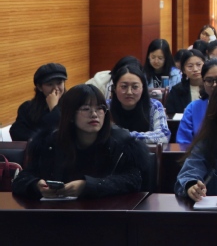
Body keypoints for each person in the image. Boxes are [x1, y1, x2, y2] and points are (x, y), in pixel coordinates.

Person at [12, 84, 149, 199]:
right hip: (60, 214)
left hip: (106, 213)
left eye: (100, 108)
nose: (94, 114)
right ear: (70, 115)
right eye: (86, 109)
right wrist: (36, 185)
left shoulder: (120, 142)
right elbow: (22, 179)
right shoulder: (51, 142)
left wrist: (88, 186)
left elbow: (133, 180)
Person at [109, 66, 170, 144]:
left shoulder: (154, 106)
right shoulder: (106, 107)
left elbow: (163, 135)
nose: (129, 92)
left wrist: (125, 135)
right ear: (114, 88)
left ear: (142, 88)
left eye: (135, 87)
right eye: (124, 86)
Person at [176, 58, 217, 144]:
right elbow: (183, 142)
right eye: (209, 81)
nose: (214, 85)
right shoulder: (193, 108)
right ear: (203, 81)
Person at [11, 63, 68, 142]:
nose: (56, 88)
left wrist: (53, 108)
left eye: (59, 83)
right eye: (50, 84)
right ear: (40, 87)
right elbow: (16, 132)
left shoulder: (72, 104)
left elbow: (65, 132)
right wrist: (39, 140)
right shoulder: (27, 107)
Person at [166, 49, 205, 116]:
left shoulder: (211, 87)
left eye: (198, 65)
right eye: (190, 66)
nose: (195, 69)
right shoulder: (176, 91)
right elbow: (170, 114)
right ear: (183, 70)